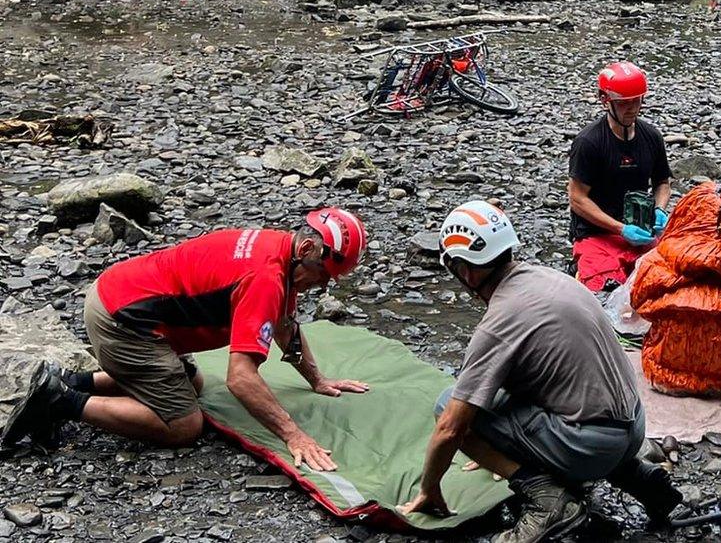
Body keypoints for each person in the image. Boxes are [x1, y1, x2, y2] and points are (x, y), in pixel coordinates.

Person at [2, 208, 371, 471]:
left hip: (120, 294)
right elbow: (241, 379)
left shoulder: (282, 253)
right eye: (324, 274)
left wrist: (318, 381)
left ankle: (75, 380)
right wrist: (294, 436)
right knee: (183, 424)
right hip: (123, 322)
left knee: (193, 382)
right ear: (307, 250)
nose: (324, 285)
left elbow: (286, 326)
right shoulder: (266, 278)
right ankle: (60, 400)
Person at [397, 200, 681, 542]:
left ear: (466, 271)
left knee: (448, 404)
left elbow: (450, 428)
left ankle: (548, 501)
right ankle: (636, 476)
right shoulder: (548, 278)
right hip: (632, 427)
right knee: (512, 390)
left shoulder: (500, 322)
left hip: (590, 446)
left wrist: (429, 489)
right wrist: (500, 448)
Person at [568, 61, 673, 292]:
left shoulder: (651, 137)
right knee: (604, 291)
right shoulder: (589, 142)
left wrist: (660, 210)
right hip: (597, 234)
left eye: (637, 100)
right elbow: (577, 198)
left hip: (641, 232)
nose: (633, 108)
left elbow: (662, 183)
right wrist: (619, 229)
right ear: (606, 101)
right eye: (625, 103)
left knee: (667, 283)